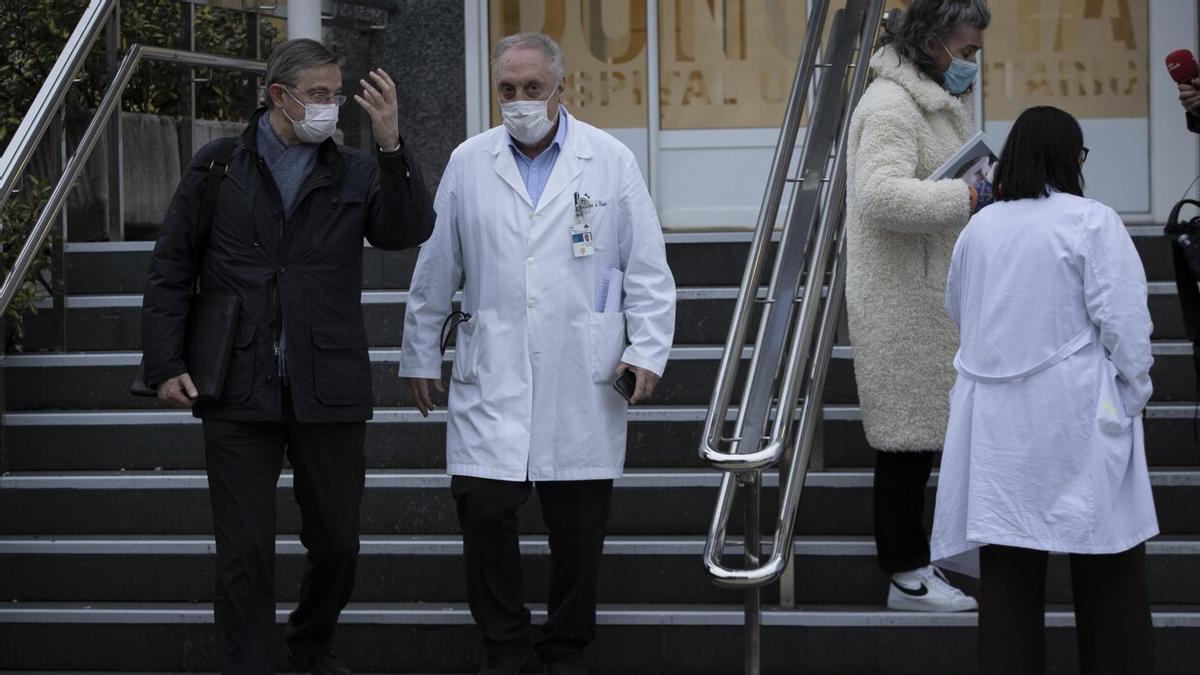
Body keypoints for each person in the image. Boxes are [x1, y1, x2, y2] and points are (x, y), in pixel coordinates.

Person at [141, 39, 435, 675]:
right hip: (238, 384)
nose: (333, 105)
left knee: (337, 542)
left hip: (326, 380)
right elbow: (172, 266)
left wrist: (390, 143)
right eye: (321, 94)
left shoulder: (356, 169)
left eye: (337, 92)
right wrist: (165, 364)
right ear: (280, 97)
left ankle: (308, 646)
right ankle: (250, 664)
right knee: (244, 550)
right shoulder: (219, 167)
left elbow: (406, 230)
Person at [399, 32, 676, 675]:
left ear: (561, 89)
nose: (519, 100)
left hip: (582, 369)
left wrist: (648, 351)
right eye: (507, 89)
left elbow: (648, 269)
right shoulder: (470, 161)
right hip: (489, 366)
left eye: (531, 88)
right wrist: (419, 354)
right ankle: (506, 647)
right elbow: (437, 264)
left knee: (577, 531)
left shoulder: (608, 160)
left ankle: (568, 647)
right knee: (485, 512)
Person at [932, 105, 1157, 675]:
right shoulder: (1091, 220)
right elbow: (1126, 324)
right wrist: (1133, 395)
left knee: (1009, 572)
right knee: (1109, 566)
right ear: (1067, 158)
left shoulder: (980, 226)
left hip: (997, 422)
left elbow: (961, 310)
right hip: (1078, 409)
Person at [843, 0, 989, 611]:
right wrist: (968, 195)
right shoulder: (891, 105)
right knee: (906, 444)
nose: (973, 64)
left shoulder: (921, 99)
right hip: (903, 300)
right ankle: (906, 572)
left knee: (923, 439)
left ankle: (920, 564)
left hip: (925, 295)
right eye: (968, 51)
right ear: (933, 43)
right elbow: (878, 195)